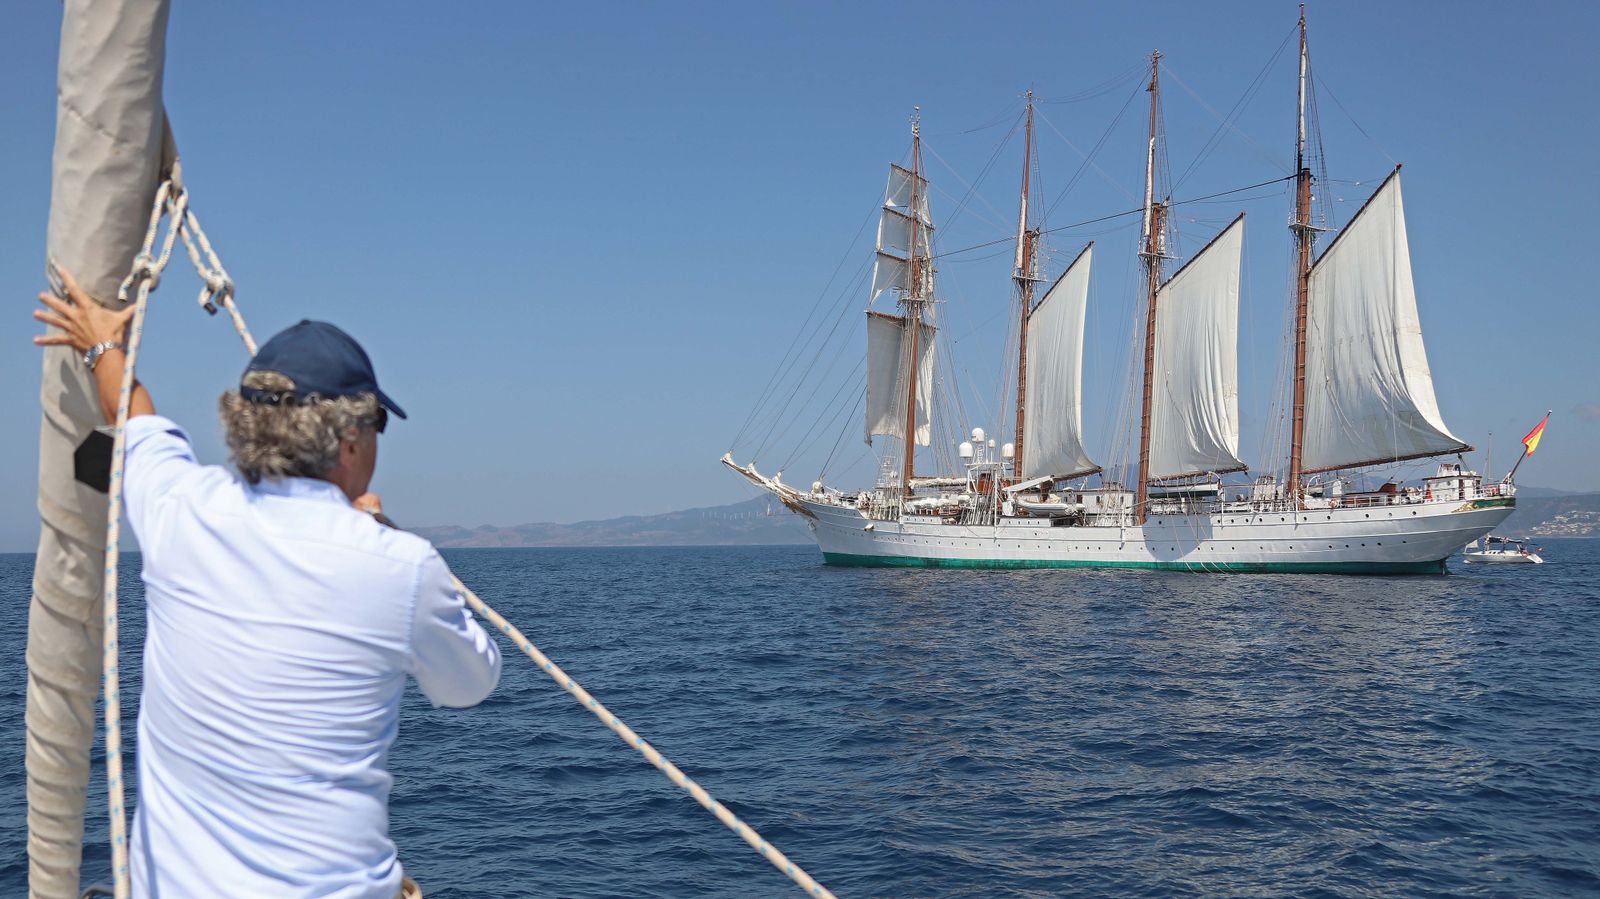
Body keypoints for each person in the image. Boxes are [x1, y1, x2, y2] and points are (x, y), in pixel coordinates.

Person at [34, 271, 501, 899]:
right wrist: (379, 530)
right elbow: (471, 684)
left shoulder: (180, 509)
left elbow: (134, 415)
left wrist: (99, 345)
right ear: (352, 437)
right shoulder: (401, 567)